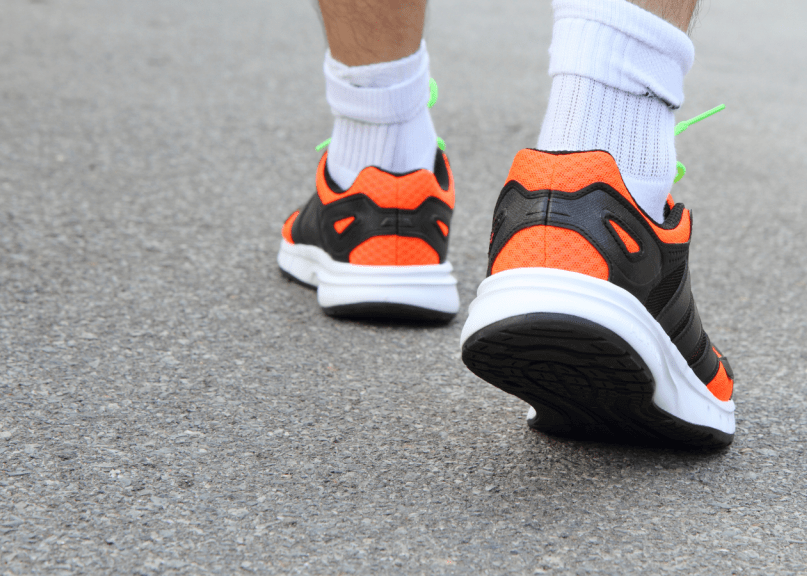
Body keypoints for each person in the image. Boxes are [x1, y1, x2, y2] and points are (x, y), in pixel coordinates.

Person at [277, 0, 736, 448]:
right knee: (608, 141)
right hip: (613, 244)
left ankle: (370, 181)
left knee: (375, 144)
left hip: (513, 236)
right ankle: (604, 211)